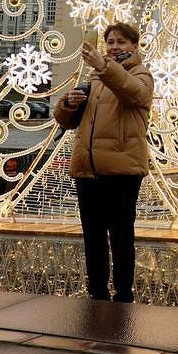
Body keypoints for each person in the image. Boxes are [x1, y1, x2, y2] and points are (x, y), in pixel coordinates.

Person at [54, 23, 154, 302]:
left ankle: (123, 293)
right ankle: (96, 291)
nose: (113, 46)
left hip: (121, 169)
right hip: (89, 169)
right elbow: (66, 121)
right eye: (110, 42)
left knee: (121, 235)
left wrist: (104, 68)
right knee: (93, 237)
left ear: (134, 46)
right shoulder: (97, 79)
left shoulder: (141, 74)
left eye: (121, 42)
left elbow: (134, 93)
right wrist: (69, 103)